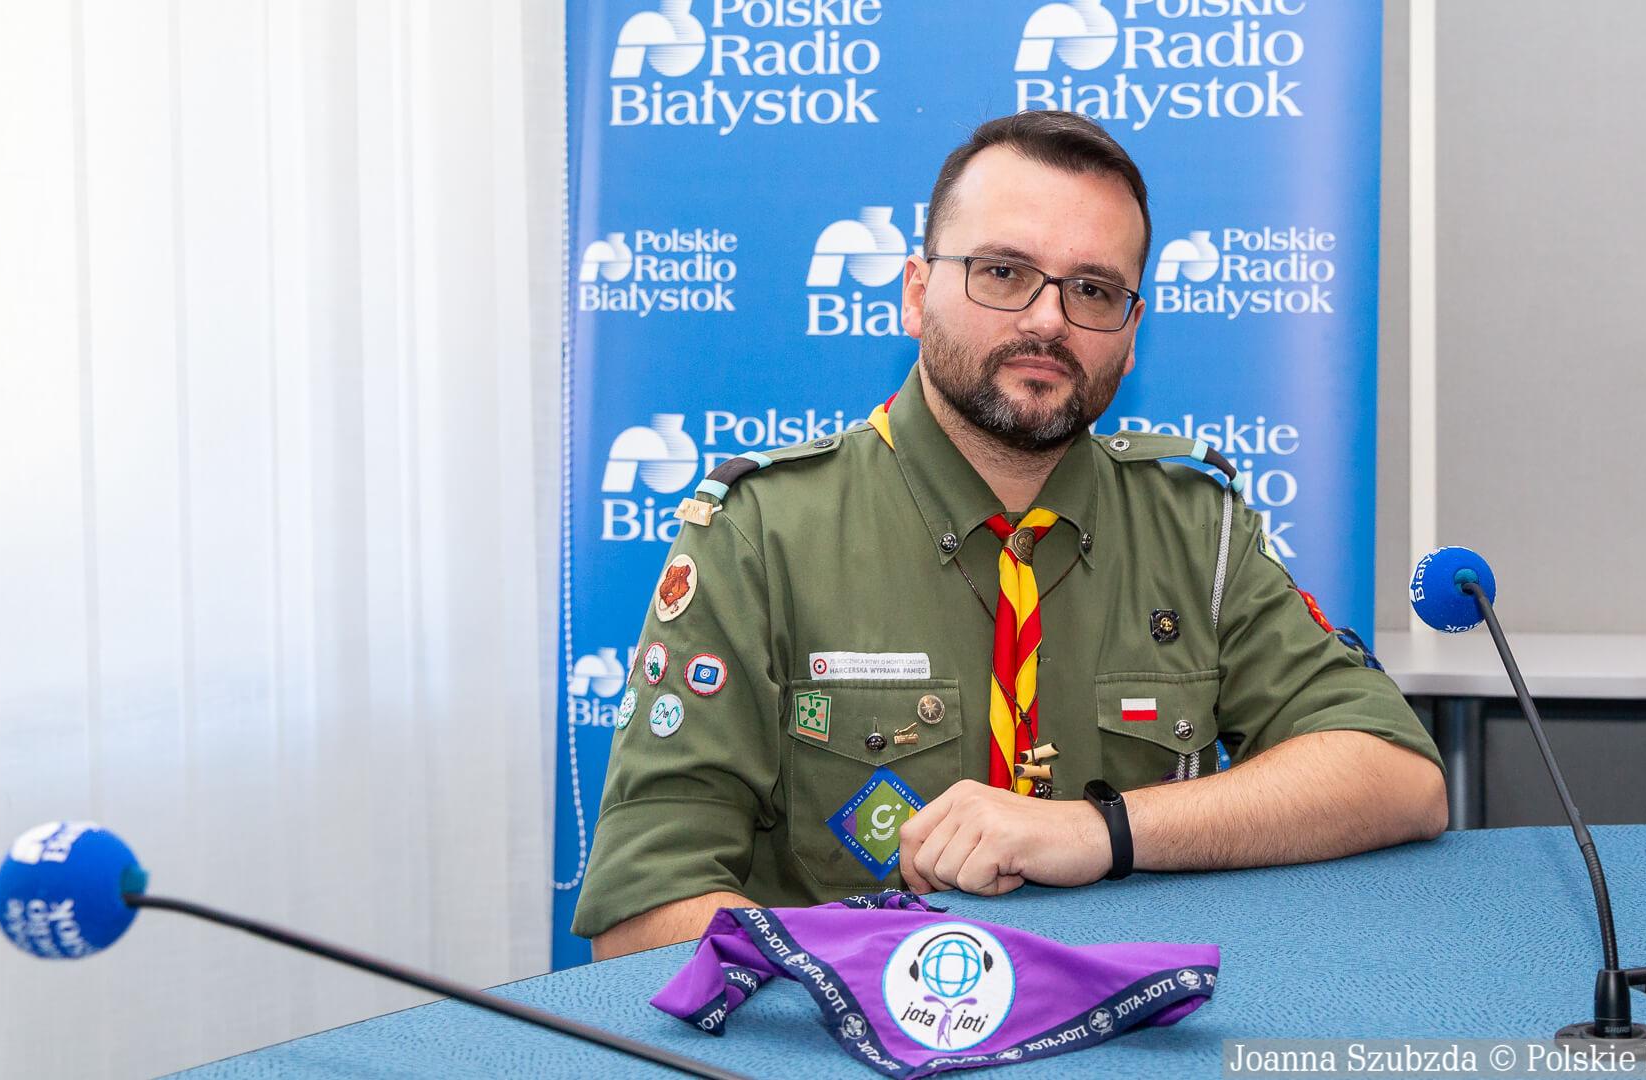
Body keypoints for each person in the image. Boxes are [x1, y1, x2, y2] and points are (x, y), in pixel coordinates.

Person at [573, 111, 1446, 961]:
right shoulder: (763, 532)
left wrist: (1102, 831)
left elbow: (1398, 775)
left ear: (1131, 336)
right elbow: (644, 911)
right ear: (917, 294)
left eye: (1093, 290)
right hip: (856, 1034)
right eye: (1002, 272)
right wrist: (892, 985)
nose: (1048, 320)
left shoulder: (1194, 526)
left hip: (1138, 1024)